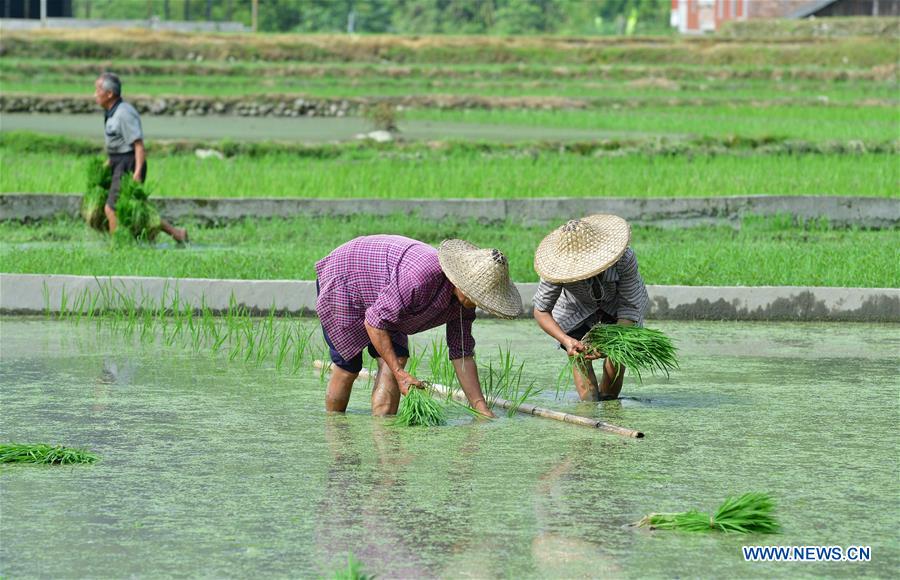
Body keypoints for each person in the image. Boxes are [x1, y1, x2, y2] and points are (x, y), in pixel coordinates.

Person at [315, 235, 522, 418]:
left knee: (396, 359)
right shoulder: (420, 279)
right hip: (346, 277)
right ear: (459, 280)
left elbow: (462, 353)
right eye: (475, 294)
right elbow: (374, 322)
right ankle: (336, 431)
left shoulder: (464, 304)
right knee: (348, 366)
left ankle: (384, 438)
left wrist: (480, 408)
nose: (476, 302)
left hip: (385, 287)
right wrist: (400, 374)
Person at [532, 215, 649, 401]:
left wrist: (611, 340)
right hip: (575, 311)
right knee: (580, 358)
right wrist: (566, 340)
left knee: (617, 355)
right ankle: (590, 409)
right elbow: (541, 310)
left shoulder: (623, 258)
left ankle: (610, 402)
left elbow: (629, 307)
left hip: (617, 309)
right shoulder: (554, 267)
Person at [93, 72, 188, 242]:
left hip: (128, 163)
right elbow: (116, 142)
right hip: (117, 161)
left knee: (111, 208)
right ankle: (178, 234)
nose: (94, 94)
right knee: (139, 209)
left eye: (97, 90)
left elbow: (138, 145)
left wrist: (136, 172)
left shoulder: (124, 113)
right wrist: (108, 164)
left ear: (109, 94)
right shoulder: (110, 112)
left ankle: (118, 246)